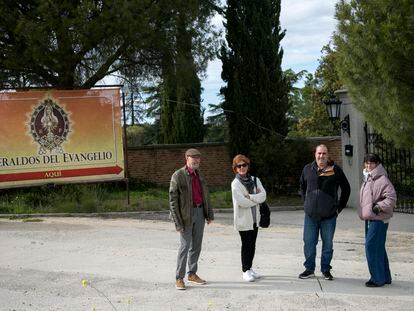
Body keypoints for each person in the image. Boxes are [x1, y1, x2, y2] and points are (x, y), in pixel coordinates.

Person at [299, 144, 350, 280]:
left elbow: (346, 189)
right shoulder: (307, 169)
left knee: (327, 244)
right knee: (309, 243)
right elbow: (302, 187)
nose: (321, 156)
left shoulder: (335, 170)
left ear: (328, 155)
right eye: (319, 153)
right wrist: (306, 203)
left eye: (324, 153)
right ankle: (309, 269)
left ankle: (326, 269)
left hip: (329, 216)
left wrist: (339, 208)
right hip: (310, 216)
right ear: (315, 154)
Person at [169, 148, 214, 290]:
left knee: (196, 246)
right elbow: (172, 201)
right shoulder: (178, 175)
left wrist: (209, 214)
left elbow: (205, 195)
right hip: (185, 216)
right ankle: (179, 278)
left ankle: (192, 274)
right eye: (192, 158)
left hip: (200, 212)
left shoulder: (199, 175)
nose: (195, 160)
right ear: (186, 158)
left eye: (197, 158)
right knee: (184, 247)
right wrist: (177, 222)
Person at [359, 153, 396, 287]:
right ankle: (385, 277)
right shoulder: (368, 178)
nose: (369, 165)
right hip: (370, 218)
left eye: (372, 163)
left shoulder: (382, 179)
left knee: (371, 247)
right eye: (367, 163)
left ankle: (377, 279)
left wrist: (378, 207)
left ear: (378, 164)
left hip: (378, 218)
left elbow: (391, 198)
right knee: (378, 247)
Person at [231, 154, 267, 282]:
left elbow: (263, 196)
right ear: (235, 168)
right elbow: (242, 202)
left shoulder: (255, 180)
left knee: (252, 244)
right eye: (239, 166)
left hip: (255, 219)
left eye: (244, 165)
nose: (242, 168)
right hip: (243, 220)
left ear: (248, 166)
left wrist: (250, 197)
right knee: (246, 245)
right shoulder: (235, 184)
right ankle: (245, 270)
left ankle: (250, 268)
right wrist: (255, 198)